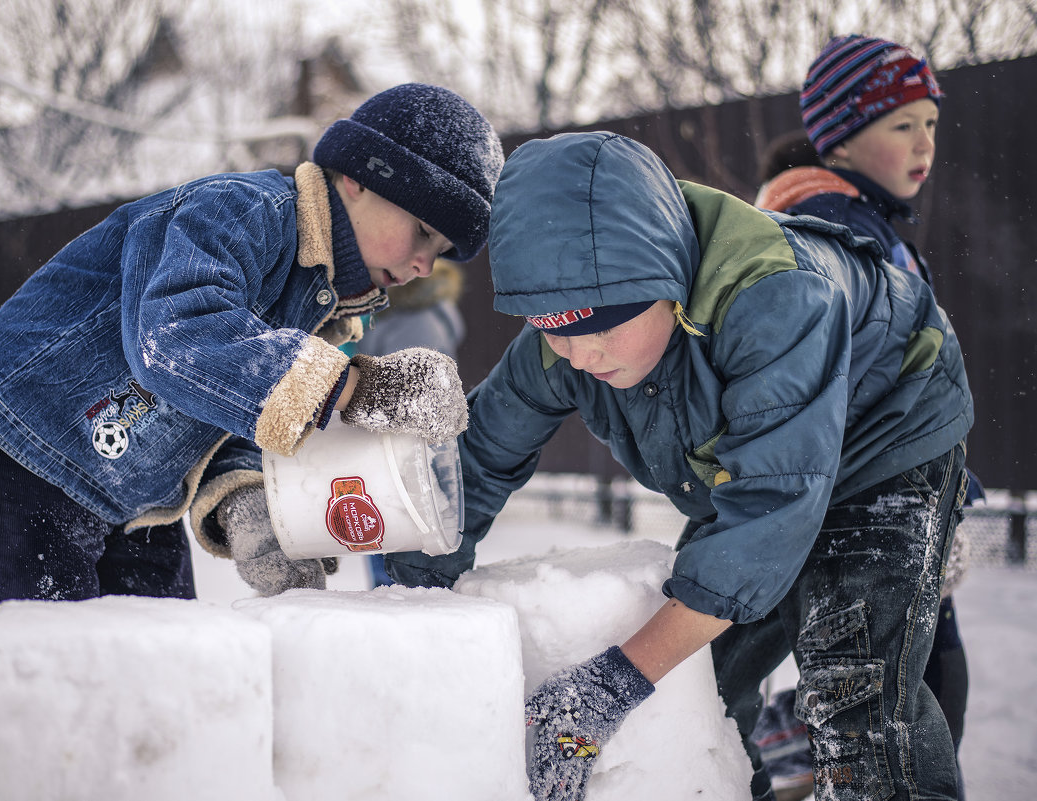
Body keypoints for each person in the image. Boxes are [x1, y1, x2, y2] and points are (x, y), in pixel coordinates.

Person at [385, 131, 973, 801]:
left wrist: (612, 682)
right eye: (553, 326)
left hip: (884, 435)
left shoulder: (772, 298)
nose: (578, 353)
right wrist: (419, 612)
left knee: (854, 689)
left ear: (664, 277)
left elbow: (761, 525)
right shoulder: (561, 340)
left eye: (602, 323)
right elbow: (475, 463)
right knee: (698, 689)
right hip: (761, 466)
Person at [0, 83, 504, 610]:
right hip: (33, 442)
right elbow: (177, 338)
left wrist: (252, 511)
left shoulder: (326, 309)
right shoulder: (243, 212)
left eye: (442, 250)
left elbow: (233, 409)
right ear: (360, 177)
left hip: (143, 497)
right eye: (424, 232)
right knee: (61, 662)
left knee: (172, 662)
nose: (425, 264)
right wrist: (356, 387)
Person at [754, 36, 980, 799]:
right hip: (876, 495)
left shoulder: (865, 219)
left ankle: (795, 744)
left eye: (930, 123)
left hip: (895, 486)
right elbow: (864, 373)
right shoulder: (831, 223)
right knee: (909, 707)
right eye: (899, 125)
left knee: (903, 699)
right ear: (840, 135)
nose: (923, 144)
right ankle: (789, 746)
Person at [357, 256, 467, 587]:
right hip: (400, 449)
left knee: (398, 540)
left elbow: (411, 403)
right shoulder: (420, 310)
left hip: (402, 453)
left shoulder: (413, 320)